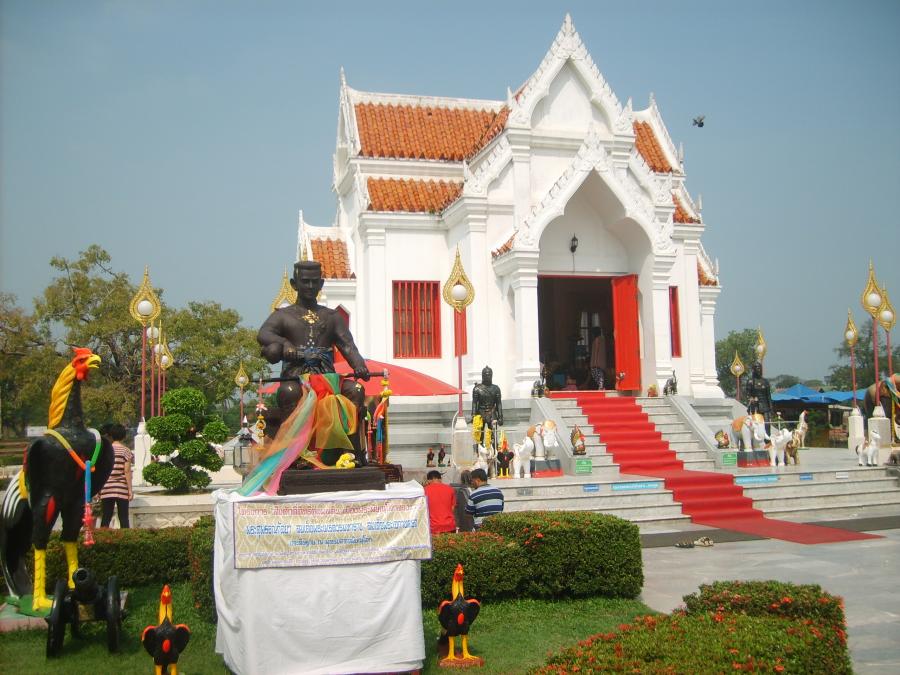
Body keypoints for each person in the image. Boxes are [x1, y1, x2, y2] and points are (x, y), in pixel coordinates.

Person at [257, 260, 370, 462]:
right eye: (305, 282)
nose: (309, 287)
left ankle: (351, 450)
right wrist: (285, 343)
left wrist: (359, 364)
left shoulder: (332, 316)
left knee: (356, 390)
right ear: (294, 284)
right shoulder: (283, 315)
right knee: (289, 392)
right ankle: (295, 454)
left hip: (327, 377)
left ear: (321, 284)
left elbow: (348, 346)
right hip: (296, 377)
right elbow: (264, 334)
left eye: (314, 282)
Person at [98, 423, 133, 528]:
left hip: (107, 488)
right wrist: (130, 490)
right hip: (121, 488)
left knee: (106, 517)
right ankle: (126, 541)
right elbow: (127, 471)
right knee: (123, 518)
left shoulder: (105, 450)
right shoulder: (126, 451)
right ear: (124, 436)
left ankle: (103, 540)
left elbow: (101, 470)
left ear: (111, 436)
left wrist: (98, 489)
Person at [470, 366, 503, 449]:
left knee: (493, 434)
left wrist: (500, 417)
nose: (488, 376)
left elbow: (499, 403)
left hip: (492, 412)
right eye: (486, 374)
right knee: (479, 435)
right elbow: (474, 403)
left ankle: (494, 454)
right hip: (480, 413)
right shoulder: (477, 388)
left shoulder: (496, 388)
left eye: (489, 374)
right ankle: (479, 455)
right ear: (482, 375)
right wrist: (473, 415)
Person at [423, 470, 457, 535]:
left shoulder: (424, 490)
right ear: (440, 479)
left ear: (429, 480)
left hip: (433, 527)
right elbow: (452, 508)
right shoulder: (450, 489)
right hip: (450, 525)